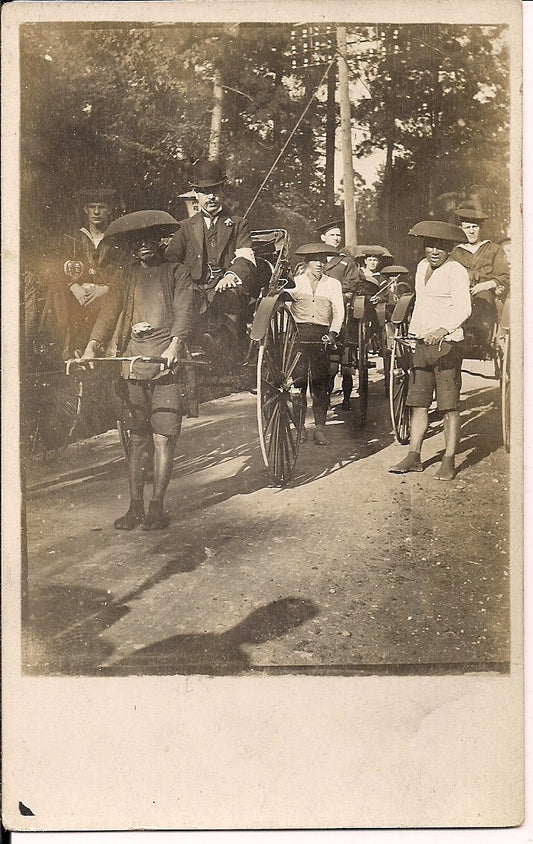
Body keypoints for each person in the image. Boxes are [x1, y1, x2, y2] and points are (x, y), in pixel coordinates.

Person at [82, 211, 195, 530]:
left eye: (149, 239)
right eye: (137, 241)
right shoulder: (126, 275)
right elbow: (109, 312)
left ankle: (156, 505)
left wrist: (174, 346)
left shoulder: (177, 272)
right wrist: (93, 345)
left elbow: (185, 310)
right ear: (131, 246)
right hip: (132, 364)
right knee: (137, 439)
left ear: (160, 241)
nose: (144, 245)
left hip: (166, 366)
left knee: (163, 439)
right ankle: (135, 507)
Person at [389, 221, 471, 481]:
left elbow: (464, 309)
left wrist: (443, 329)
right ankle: (414, 456)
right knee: (418, 403)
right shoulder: (421, 267)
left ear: (448, 249)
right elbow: (420, 304)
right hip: (422, 344)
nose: (434, 251)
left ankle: (448, 459)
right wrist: (415, 334)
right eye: (430, 245)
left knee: (449, 406)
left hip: (447, 346)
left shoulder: (456, 271)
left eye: (440, 247)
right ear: (424, 247)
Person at [165, 159, 257, 362]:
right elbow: (172, 261)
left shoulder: (239, 224)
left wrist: (231, 275)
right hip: (196, 287)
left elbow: (245, 256)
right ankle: (186, 348)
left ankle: (228, 353)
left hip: (228, 287)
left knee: (229, 300)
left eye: (215, 190)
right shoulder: (185, 227)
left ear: (223, 191)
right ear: (196, 194)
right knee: (183, 300)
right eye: (205, 192)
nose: (211, 197)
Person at [41, 187, 123, 358]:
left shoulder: (117, 239)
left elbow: (125, 272)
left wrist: (105, 289)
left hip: (108, 296)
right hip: (79, 299)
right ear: (86, 210)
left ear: (109, 210)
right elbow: (56, 268)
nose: (97, 212)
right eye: (92, 207)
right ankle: (67, 350)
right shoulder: (73, 239)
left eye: (101, 207)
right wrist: (73, 285)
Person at [288, 243, 344, 445]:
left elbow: (339, 311)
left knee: (320, 385)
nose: (319, 264)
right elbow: (286, 309)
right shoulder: (295, 282)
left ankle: (320, 428)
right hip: (298, 337)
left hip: (322, 337)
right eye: (315, 260)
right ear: (306, 263)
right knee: (298, 384)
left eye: (322, 260)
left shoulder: (333, 284)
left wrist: (333, 332)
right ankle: (300, 428)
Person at [314, 218, 363, 411]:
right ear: (323, 237)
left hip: (339, 305)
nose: (336, 238)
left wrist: (333, 292)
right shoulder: (315, 259)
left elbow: (352, 284)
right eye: (332, 235)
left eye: (338, 235)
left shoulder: (346, 261)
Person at [449, 207, 509, 352]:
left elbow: (504, 276)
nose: (471, 231)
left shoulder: (494, 249)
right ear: (460, 229)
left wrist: (486, 285)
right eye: (467, 227)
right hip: (461, 292)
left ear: (480, 228)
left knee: (481, 299)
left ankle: (476, 337)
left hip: (485, 293)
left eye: (474, 227)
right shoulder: (455, 252)